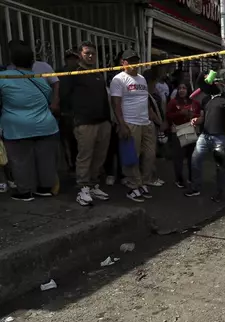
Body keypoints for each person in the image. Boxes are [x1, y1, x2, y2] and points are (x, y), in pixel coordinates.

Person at [0, 42, 59, 201]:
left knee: (20, 160)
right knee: (45, 159)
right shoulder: (40, 79)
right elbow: (48, 98)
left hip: (17, 128)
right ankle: (45, 188)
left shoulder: (3, 78)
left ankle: (25, 192)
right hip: (46, 125)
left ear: (12, 61)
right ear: (32, 62)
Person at [59, 41, 112, 206]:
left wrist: (109, 121)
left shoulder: (98, 74)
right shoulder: (73, 73)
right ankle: (83, 189)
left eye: (93, 53)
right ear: (80, 55)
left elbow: (104, 98)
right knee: (85, 156)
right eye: (87, 53)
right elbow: (64, 97)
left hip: (103, 122)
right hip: (84, 122)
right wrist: (74, 118)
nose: (90, 56)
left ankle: (93, 185)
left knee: (99, 156)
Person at [109, 49, 157, 202]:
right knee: (132, 157)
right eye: (130, 61)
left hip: (145, 123)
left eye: (136, 61)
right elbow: (115, 104)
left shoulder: (142, 79)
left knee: (149, 155)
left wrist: (154, 120)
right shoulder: (119, 79)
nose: (134, 64)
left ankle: (141, 181)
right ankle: (133, 186)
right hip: (130, 123)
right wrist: (121, 124)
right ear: (123, 63)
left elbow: (146, 102)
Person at [184, 83, 225, 201]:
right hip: (205, 136)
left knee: (220, 166)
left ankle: (220, 192)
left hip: (221, 137)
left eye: (217, 84)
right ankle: (195, 187)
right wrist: (197, 120)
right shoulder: (206, 99)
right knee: (195, 160)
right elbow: (203, 117)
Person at [166, 82, 201, 188]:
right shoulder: (173, 102)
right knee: (178, 158)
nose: (181, 90)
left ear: (188, 90)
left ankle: (191, 177)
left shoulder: (195, 103)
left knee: (192, 157)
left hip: (190, 130)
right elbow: (168, 116)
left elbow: (199, 115)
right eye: (179, 88)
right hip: (178, 130)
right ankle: (179, 179)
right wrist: (180, 113)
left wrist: (192, 115)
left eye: (184, 88)